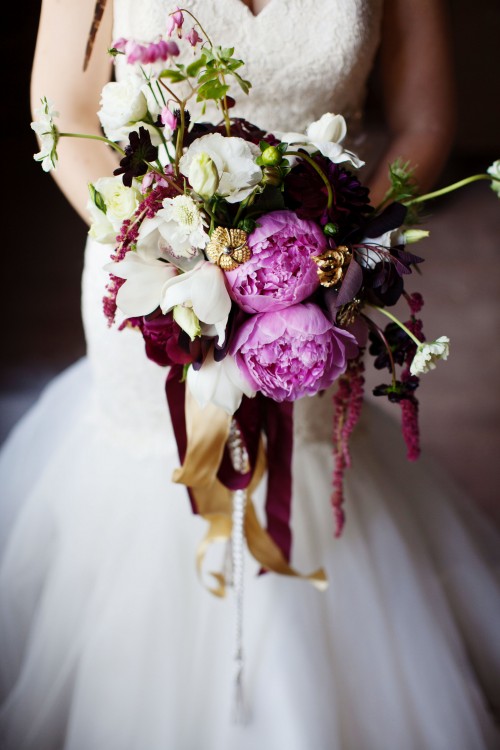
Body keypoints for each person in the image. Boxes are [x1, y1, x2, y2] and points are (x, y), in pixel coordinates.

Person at [1, 1, 499, 748]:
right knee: (160, 476)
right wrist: (174, 246)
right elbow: (59, 110)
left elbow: (425, 122)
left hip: (319, 282)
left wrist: (332, 245)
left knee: (303, 463)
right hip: (149, 276)